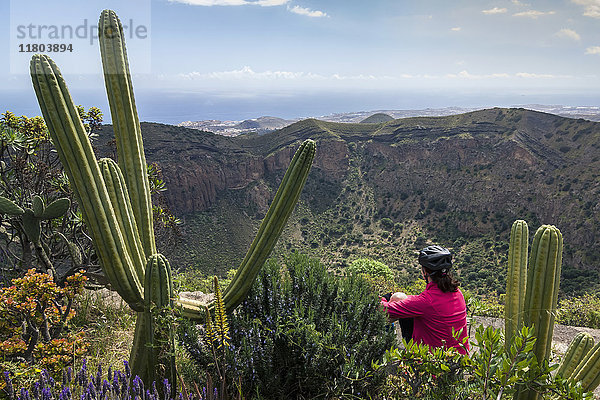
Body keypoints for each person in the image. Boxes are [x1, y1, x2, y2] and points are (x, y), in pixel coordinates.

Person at [380, 245, 469, 354]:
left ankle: (384, 345)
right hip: (459, 359)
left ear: (425, 272)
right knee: (403, 300)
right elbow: (422, 303)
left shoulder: (426, 301)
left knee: (398, 299)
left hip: (432, 363)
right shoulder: (457, 292)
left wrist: (384, 298)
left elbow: (383, 309)